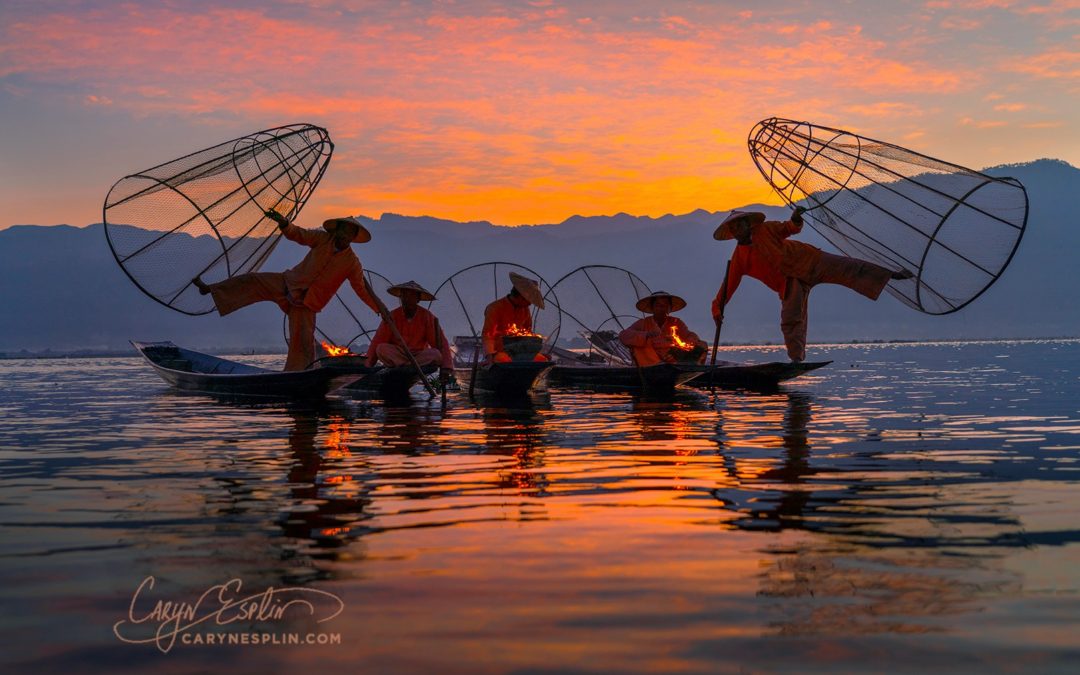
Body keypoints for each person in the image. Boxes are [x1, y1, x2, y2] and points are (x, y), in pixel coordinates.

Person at [712, 208, 913, 363]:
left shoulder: (766, 229)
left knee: (848, 267)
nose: (737, 229)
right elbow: (728, 286)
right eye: (734, 227)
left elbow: (790, 228)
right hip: (790, 282)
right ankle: (796, 359)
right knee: (791, 319)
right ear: (732, 232)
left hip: (810, 260)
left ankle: (891, 275)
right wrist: (718, 309)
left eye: (740, 224)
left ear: (748, 224)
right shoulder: (739, 259)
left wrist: (796, 217)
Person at [192, 209, 379, 371]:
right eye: (342, 231)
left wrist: (377, 309)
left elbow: (360, 289)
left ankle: (299, 375)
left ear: (353, 238)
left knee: (302, 344)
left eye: (348, 234)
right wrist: (284, 224)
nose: (344, 236)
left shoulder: (352, 263)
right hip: (288, 283)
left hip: (307, 303)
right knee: (253, 280)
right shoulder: (322, 239)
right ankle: (211, 290)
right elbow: (300, 234)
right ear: (337, 230)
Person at [365, 280, 453, 383]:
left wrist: (446, 368)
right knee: (381, 349)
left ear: (418, 299)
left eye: (412, 296)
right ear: (401, 298)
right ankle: (407, 365)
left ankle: (406, 365)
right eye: (405, 296)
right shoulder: (392, 316)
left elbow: (441, 343)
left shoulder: (427, 316)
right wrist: (367, 366)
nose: (408, 299)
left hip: (419, 356)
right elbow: (378, 340)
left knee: (436, 354)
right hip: (399, 355)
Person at [619, 291, 707, 366]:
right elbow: (623, 335)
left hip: (673, 362)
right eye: (658, 305)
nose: (661, 308)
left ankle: (690, 369)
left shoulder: (676, 322)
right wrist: (646, 335)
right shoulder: (643, 323)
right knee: (641, 344)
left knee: (702, 344)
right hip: (650, 363)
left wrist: (687, 343)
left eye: (665, 305)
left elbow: (690, 335)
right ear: (652, 308)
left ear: (669, 308)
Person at [482, 272, 548, 364]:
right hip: (500, 352)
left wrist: (534, 350)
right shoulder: (495, 308)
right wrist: (490, 355)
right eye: (529, 300)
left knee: (542, 360)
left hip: (522, 352)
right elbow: (488, 335)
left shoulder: (525, 310)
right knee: (505, 361)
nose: (530, 304)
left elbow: (527, 332)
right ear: (521, 297)